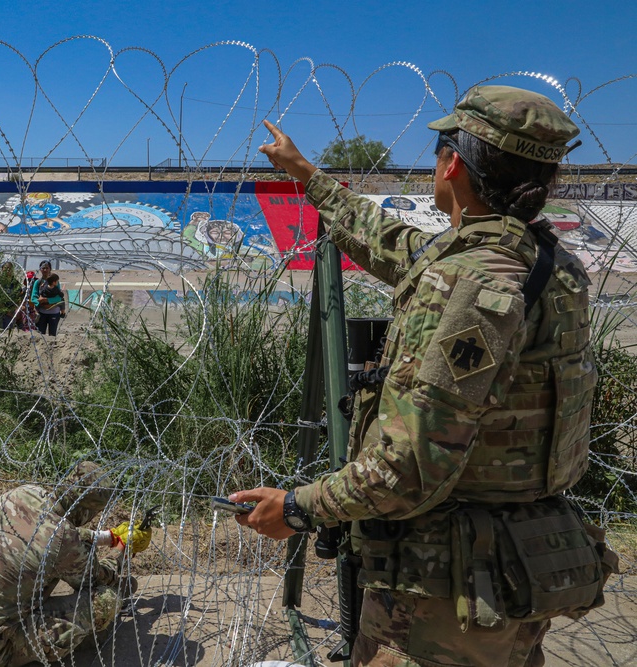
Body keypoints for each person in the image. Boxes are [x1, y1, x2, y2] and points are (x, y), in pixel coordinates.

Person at [231, 86, 617, 666]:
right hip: (516, 568)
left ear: (453, 162)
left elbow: (409, 467)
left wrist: (297, 507)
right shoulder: (543, 262)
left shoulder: (471, 286)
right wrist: (304, 172)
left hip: (446, 595)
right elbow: (395, 244)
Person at [0, 461, 151, 667]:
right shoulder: (62, 541)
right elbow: (97, 579)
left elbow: (52, 532)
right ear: (87, 511)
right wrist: (124, 549)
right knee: (107, 599)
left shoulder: (23, 493)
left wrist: (108, 536)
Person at [30, 259, 66, 337]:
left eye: (47, 268)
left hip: (54, 312)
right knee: (40, 335)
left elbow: (59, 297)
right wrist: (40, 303)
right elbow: (33, 297)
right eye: (43, 268)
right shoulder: (38, 282)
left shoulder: (55, 282)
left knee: (52, 335)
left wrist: (48, 301)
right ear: (40, 269)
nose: (45, 270)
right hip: (42, 313)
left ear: (50, 269)